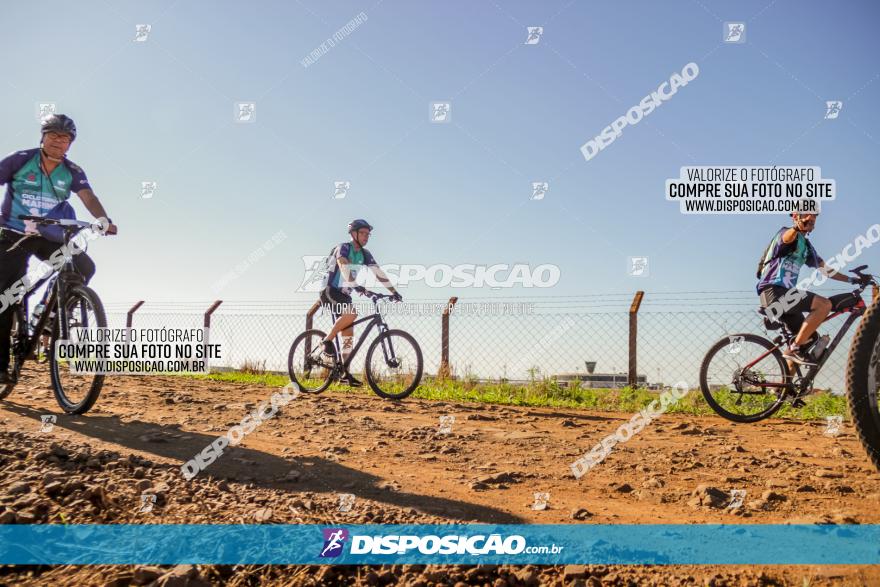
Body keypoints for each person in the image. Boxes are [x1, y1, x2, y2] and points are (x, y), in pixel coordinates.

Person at [0, 114, 117, 383]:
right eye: (53, 134)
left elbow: (89, 197)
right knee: (6, 296)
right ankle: (1, 366)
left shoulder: (73, 171)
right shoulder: (20, 159)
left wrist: (103, 221)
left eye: (64, 138)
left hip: (49, 234)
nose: (58, 140)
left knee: (84, 266)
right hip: (14, 234)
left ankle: (49, 314)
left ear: (70, 144)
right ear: (43, 136)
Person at [756, 212, 860, 367]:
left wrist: (852, 280)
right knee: (823, 305)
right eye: (805, 215)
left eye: (814, 217)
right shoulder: (785, 233)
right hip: (774, 292)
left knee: (806, 340)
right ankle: (794, 348)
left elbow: (826, 270)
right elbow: (787, 238)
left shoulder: (807, 247)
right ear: (795, 217)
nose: (810, 218)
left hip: (786, 296)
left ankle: (787, 389)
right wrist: (796, 228)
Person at [319, 219, 401, 387]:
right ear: (353, 234)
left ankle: (344, 372)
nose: (366, 237)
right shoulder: (343, 248)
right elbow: (343, 266)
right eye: (363, 233)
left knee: (348, 334)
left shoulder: (365, 253)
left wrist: (394, 292)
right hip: (330, 290)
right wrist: (355, 285)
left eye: (368, 234)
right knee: (352, 313)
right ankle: (326, 341)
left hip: (345, 294)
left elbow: (378, 273)